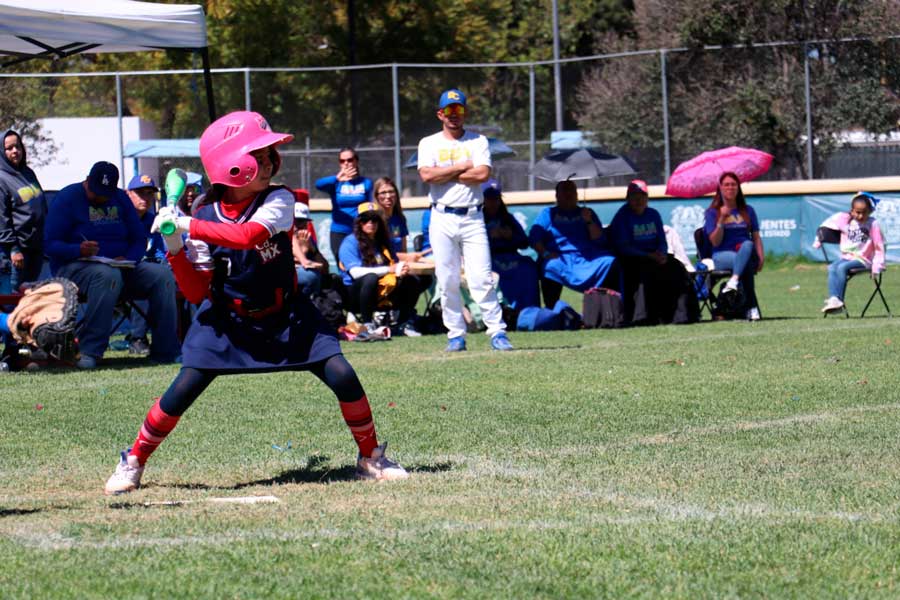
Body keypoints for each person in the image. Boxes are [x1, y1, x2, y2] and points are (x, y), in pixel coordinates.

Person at [104, 111, 407, 495]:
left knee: (342, 374)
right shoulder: (203, 214)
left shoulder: (277, 198)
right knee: (182, 390)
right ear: (230, 165)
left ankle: (370, 458)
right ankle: (133, 460)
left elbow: (247, 235)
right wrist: (175, 246)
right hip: (229, 320)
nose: (268, 163)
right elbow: (197, 292)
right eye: (258, 156)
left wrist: (185, 225)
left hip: (287, 315)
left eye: (267, 155)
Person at [43, 161, 180, 369]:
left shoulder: (121, 199)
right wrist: (77, 249)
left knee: (162, 275)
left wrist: (129, 259)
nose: (100, 197)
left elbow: (138, 240)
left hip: (120, 266)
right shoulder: (67, 198)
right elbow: (49, 245)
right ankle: (90, 351)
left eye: (106, 193)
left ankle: (166, 350)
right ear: (87, 181)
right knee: (106, 275)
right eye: (96, 191)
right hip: (73, 269)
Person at [417, 88, 512, 352]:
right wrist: (461, 167)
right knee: (446, 279)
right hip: (442, 215)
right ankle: (455, 334)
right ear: (440, 114)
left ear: (464, 112)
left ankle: (497, 332)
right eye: (449, 110)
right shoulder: (429, 143)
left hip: (472, 215)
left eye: (458, 110)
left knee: (481, 277)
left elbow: (482, 174)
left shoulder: (478, 141)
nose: (454, 115)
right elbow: (426, 175)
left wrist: (443, 173)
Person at [609, 179, 695, 324]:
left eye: (642, 196)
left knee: (677, 268)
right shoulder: (622, 217)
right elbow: (623, 247)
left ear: (647, 198)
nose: (638, 200)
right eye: (634, 196)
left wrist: (661, 253)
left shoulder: (653, 214)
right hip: (633, 257)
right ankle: (643, 317)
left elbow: (662, 240)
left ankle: (682, 315)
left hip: (654, 255)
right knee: (644, 269)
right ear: (628, 198)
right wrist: (648, 255)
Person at [529, 179, 618, 307]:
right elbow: (534, 237)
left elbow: (600, 240)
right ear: (557, 195)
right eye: (564, 191)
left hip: (587, 259)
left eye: (572, 190)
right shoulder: (548, 213)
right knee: (550, 266)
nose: (569, 194)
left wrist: (589, 221)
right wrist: (546, 253)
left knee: (609, 261)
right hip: (560, 258)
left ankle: (608, 308)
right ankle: (552, 309)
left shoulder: (587, 212)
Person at [338, 201, 420, 335]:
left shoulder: (383, 241)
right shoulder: (350, 242)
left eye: (375, 219)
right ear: (358, 222)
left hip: (382, 289)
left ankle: (403, 324)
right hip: (354, 295)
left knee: (412, 280)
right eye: (365, 220)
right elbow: (355, 273)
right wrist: (389, 269)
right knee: (370, 278)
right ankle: (367, 324)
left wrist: (400, 270)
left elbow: (393, 264)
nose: (370, 223)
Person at [703, 171, 764, 321]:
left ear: (738, 188)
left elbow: (756, 237)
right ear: (720, 188)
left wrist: (761, 257)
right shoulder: (712, 212)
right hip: (722, 255)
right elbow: (715, 242)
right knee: (745, 264)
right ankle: (751, 308)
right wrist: (721, 220)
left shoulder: (748, 211)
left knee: (748, 244)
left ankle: (734, 281)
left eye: (733, 184)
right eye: (726, 185)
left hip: (746, 252)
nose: (730, 188)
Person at [814, 191, 885, 314]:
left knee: (842, 268)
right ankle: (834, 299)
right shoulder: (844, 219)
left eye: (864, 212)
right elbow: (825, 226)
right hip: (847, 257)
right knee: (832, 267)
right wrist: (818, 241)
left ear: (871, 211)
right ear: (852, 211)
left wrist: (877, 266)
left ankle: (838, 301)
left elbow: (879, 246)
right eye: (857, 212)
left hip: (864, 260)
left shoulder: (873, 224)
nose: (861, 216)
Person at [123, 173, 167, 355]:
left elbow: (158, 251)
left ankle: (169, 340)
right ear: (128, 194)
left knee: (164, 276)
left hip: (148, 270)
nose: (146, 198)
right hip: (122, 272)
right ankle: (137, 338)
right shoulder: (119, 219)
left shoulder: (153, 221)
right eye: (141, 193)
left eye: (150, 193)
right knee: (147, 280)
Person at [481, 179, 539, 311]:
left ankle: (528, 309)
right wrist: (489, 237)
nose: (493, 202)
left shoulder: (508, 218)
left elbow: (524, 242)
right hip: (489, 259)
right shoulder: (477, 219)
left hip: (511, 256)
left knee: (528, 267)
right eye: (489, 198)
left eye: (496, 198)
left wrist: (510, 236)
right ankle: (501, 309)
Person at [1, 129, 46, 291]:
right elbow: (2, 220)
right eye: (10, 148)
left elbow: (41, 205)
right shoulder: (1, 178)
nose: (15, 151)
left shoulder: (28, 173)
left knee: (29, 301)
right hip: (14, 254)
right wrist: (13, 250)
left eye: (18, 146)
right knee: (11, 302)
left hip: (35, 248)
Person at [316, 148, 372, 260]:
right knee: (342, 265)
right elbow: (318, 185)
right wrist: (337, 178)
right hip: (339, 231)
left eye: (350, 160)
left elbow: (370, 208)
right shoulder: (335, 183)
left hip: (359, 231)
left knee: (361, 263)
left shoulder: (366, 183)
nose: (346, 163)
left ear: (356, 161)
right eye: (342, 161)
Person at [292, 201, 328, 297]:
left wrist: (313, 250)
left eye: (304, 221)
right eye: (297, 221)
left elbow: (325, 268)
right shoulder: (282, 237)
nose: (300, 226)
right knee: (311, 276)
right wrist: (303, 250)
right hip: (286, 278)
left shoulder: (307, 238)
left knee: (333, 279)